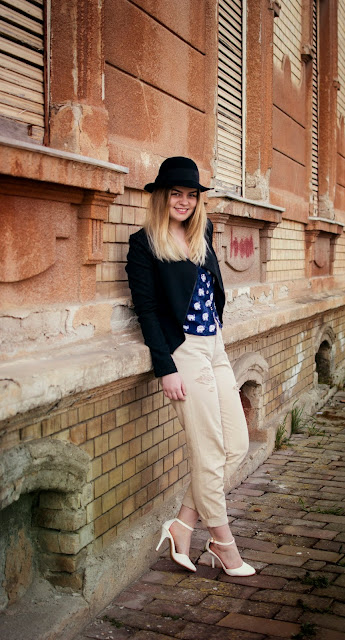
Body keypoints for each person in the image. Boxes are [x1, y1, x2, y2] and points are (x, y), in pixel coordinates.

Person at [126, 156, 255, 577]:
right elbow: (147, 311)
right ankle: (223, 543)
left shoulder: (204, 231)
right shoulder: (144, 244)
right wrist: (166, 368)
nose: (184, 201)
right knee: (210, 452)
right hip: (184, 351)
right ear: (161, 197)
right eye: (176, 194)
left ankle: (182, 524)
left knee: (236, 445)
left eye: (192, 195)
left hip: (215, 346)